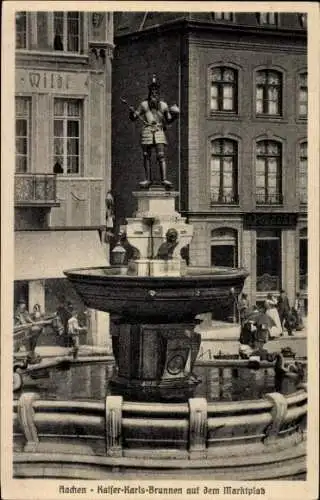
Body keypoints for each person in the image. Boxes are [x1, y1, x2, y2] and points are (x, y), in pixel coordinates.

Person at [128, 74, 180, 189]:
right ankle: (148, 179)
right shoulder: (144, 105)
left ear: (158, 93)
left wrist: (175, 115)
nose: (154, 93)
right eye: (152, 91)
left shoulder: (164, 105)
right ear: (149, 92)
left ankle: (164, 179)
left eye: (156, 91)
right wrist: (132, 112)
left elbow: (168, 120)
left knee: (161, 155)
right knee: (146, 155)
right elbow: (134, 117)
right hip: (147, 131)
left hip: (159, 130)